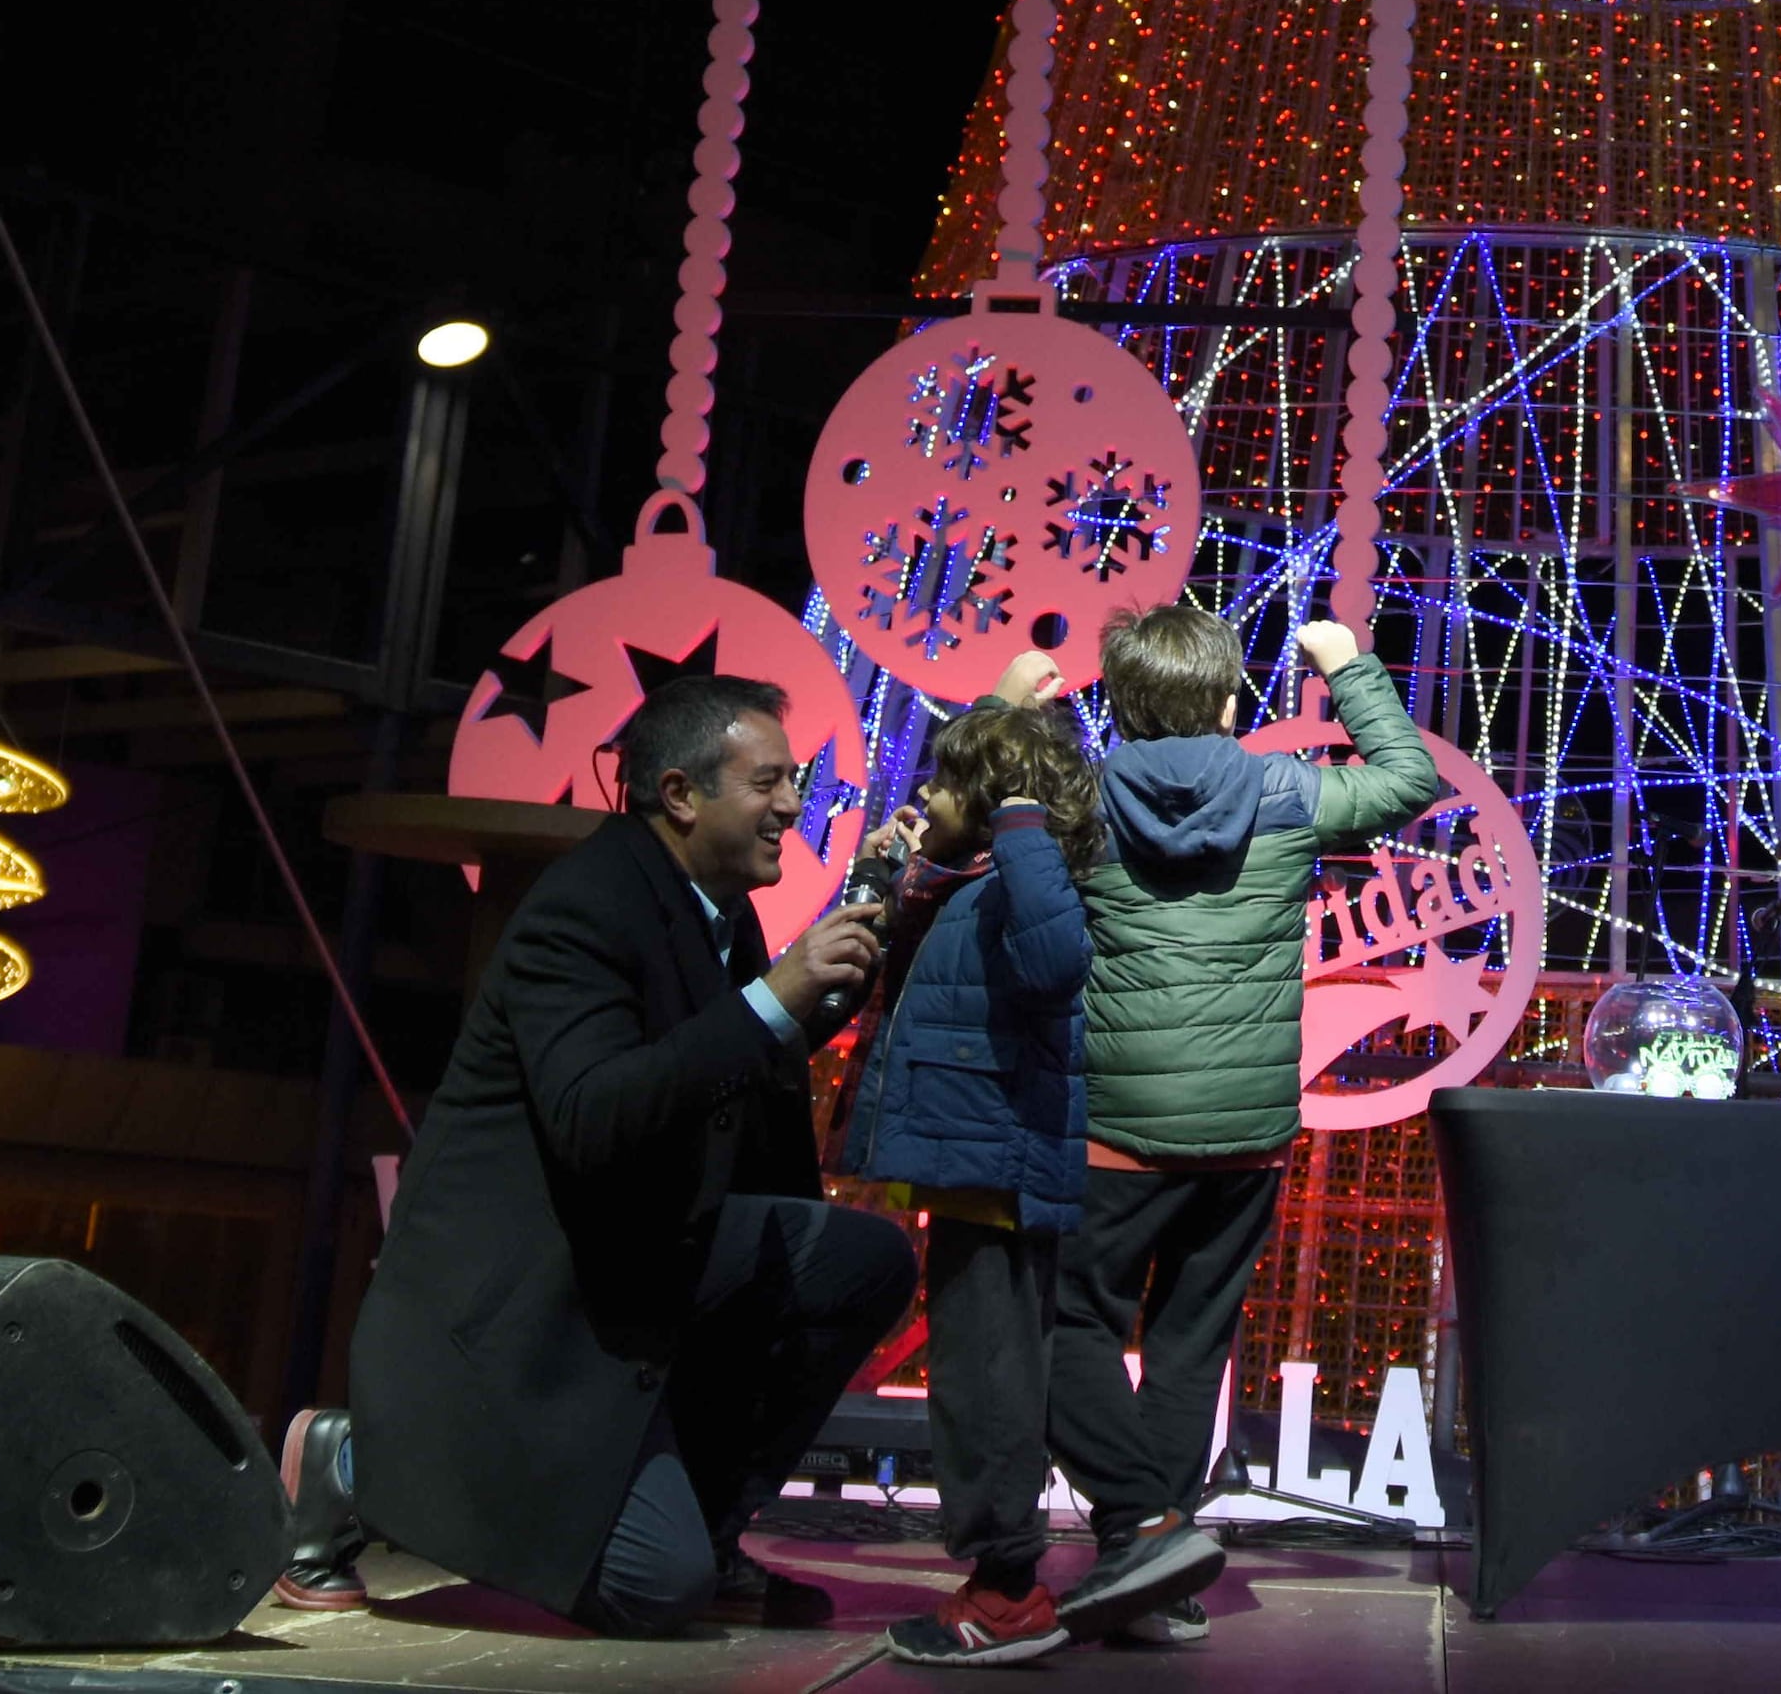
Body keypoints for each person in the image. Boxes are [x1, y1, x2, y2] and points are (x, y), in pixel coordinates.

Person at [276, 668, 911, 1637]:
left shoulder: (710, 907)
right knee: (655, 1592)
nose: (794, 803)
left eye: (795, 780)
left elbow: (740, 1053)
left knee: (857, 1260)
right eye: (770, 782)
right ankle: (357, 1463)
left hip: (641, 1258)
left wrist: (840, 955)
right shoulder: (584, 908)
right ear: (680, 795)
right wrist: (773, 998)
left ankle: (710, 1522)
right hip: (531, 1304)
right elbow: (593, 1115)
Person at [1045, 601, 1440, 1646]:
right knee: (1189, 1341)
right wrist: (1349, 667)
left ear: (1120, 704)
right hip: (1246, 1131)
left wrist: (1012, 714)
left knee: (1065, 1321)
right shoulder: (1284, 790)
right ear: (1227, 700)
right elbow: (1408, 781)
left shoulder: (1077, 802)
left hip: (1113, 1130)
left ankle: (1138, 1528)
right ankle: (1157, 1557)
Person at [839, 662, 1103, 1670]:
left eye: (946, 788)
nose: (924, 802)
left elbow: (1051, 964)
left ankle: (1003, 1592)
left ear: (995, 805)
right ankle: (1009, 1573)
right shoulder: (968, 881)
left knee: (986, 1380)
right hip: (969, 1164)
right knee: (983, 1371)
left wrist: (1018, 814)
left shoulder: (1021, 874)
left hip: (994, 1168)